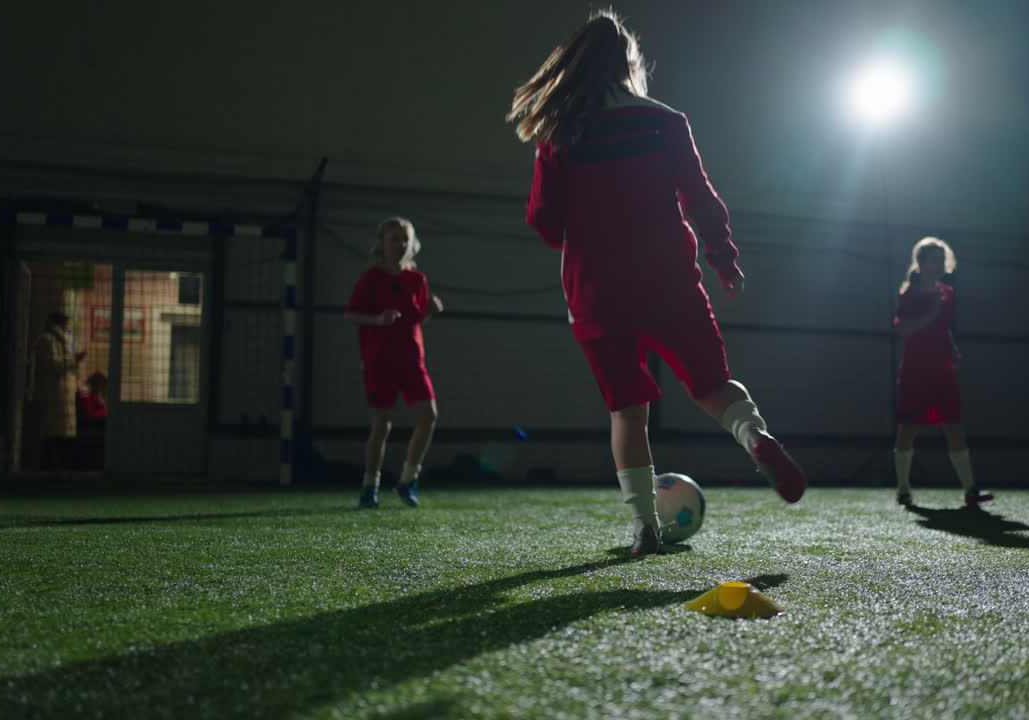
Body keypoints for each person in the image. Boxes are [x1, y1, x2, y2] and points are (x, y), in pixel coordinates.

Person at [508, 11, 807, 556]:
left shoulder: (559, 132)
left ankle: (646, 528)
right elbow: (700, 197)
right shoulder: (665, 120)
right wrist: (724, 258)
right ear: (629, 62)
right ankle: (754, 437)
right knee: (712, 385)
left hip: (597, 290)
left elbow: (544, 221)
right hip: (669, 279)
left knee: (627, 411)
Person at [344, 218, 444, 509]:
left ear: (412, 244)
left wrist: (430, 311)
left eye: (404, 239)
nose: (400, 244)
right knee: (381, 425)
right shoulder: (371, 278)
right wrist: (377, 320)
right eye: (394, 239)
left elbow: (416, 318)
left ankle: (408, 479)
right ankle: (370, 485)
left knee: (429, 416)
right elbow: (350, 314)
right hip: (379, 360)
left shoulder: (417, 280)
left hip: (412, 359)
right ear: (382, 243)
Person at [891, 237, 992, 507]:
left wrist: (952, 347)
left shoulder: (948, 292)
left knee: (954, 427)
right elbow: (904, 329)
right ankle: (903, 488)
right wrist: (931, 313)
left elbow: (944, 328)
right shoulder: (908, 294)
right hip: (915, 370)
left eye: (941, 259)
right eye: (933, 259)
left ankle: (971, 490)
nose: (939, 264)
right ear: (921, 262)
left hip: (943, 369)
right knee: (907, 430)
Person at [26, 311, 85, 471]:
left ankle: (56, 466)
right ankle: (50, 467)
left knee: (58, 432)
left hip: (60, 393)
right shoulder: (48, 340)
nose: (68, 328)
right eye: (67, 324)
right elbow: (53, 365)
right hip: (54, 394)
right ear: (60, 324)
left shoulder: (59, 340)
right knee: (52, 432)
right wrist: (74, 359)